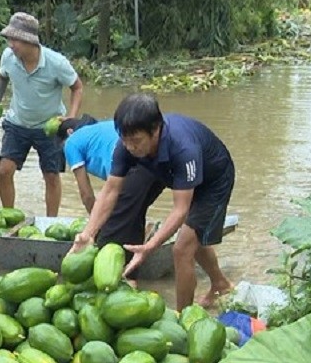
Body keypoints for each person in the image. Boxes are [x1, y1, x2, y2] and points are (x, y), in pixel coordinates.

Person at [69, 93, 235, 310]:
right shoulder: (128, 145)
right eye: (125, 139)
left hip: (213, 180)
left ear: (156, 130)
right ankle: (220, 284)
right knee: (192, 236)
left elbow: (180, 209)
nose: (130, 147)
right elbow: (110, 191)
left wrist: (150, 246)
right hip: (171, 171)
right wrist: (88, 234)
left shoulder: (183, 148)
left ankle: (182, 316)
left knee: (182, 249)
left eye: (136, 141)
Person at [0, 12, 83, 217]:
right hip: (17, 123)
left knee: (51, 176)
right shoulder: (8, 57)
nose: (11, 45)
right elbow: (2, 78)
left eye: (15, 40)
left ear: (29, 41)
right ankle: (8, 217)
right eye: (9, 39)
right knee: (4, 171)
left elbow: (77, 87)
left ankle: (51, 221)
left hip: (50, 126)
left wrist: (71, 117)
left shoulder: (56, 62)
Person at [58, 115, 164, 247]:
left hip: (133, 169)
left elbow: (86, 194)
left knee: (108, 235)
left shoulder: (71, 142)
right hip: (156, 161)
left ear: (69, 132)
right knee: (133, 213)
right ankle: (135, 253)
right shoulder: (99, 128)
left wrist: (96, 225)